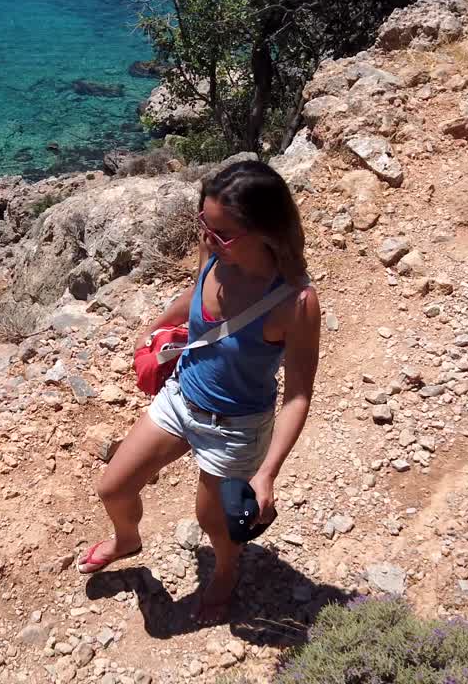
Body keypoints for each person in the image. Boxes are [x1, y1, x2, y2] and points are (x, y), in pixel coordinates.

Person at [77, 160, 321, 625]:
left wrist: (267, 473)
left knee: (213, 522)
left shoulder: (295, 302)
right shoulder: (215, 255)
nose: (209, 239)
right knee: (114, 487)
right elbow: (193, 300)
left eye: (222, 233)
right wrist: (154, 331)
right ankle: (127, 540)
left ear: (266, 231)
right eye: (204, 225)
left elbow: (297, 396)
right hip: (180, 399)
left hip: (235, 429)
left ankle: (227, 569)